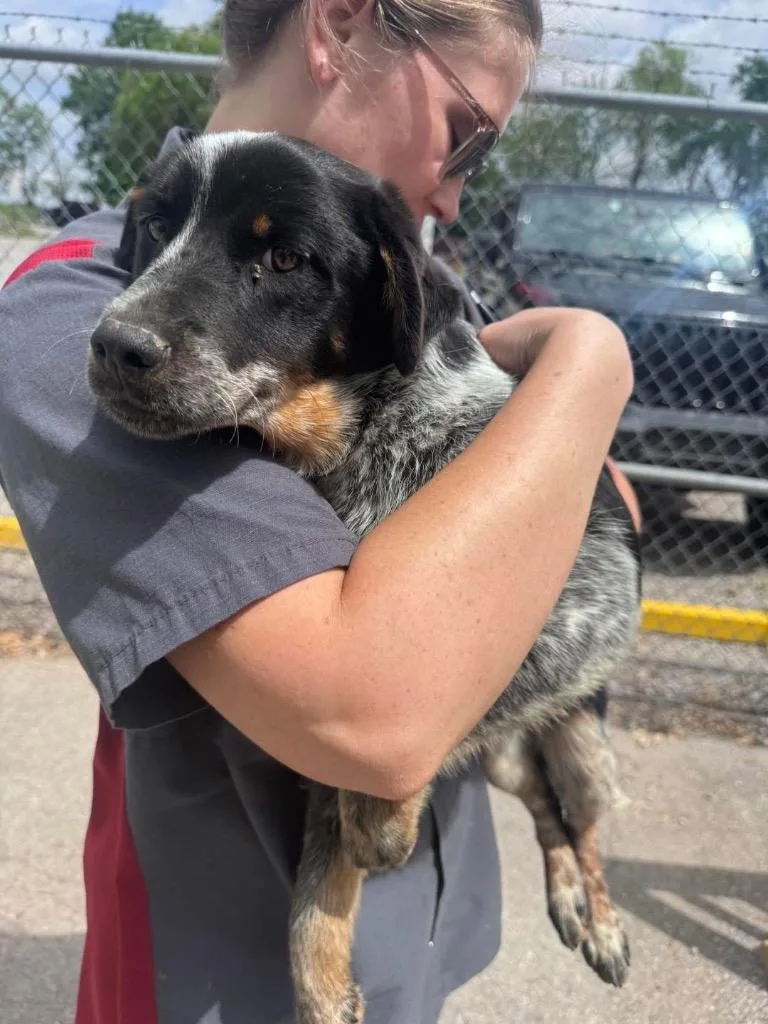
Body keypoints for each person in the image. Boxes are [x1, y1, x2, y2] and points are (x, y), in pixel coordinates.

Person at [0, 0, 638, 1021]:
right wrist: (593, 363)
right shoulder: (75, 316)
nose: (456, 191)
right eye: (465, 131)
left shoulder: (375, 266)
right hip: (218, 981)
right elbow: (378, 715)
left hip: (416, 953)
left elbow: (595, 512)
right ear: (338, 26)